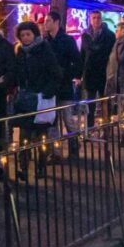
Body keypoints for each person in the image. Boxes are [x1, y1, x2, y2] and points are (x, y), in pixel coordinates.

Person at [12, 21, 61, 182]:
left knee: (41, 136)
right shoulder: (20, 52)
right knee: (24, 136)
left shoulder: (44, 50)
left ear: (34, 34)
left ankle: (40, 166)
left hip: (41, 98)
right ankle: (24, 168)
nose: (25, 38)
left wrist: (47, 92)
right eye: (22, 35)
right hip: (26, 99)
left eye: (28, 34)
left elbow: (55, 73)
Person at [43, 11, 83, 157]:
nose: (45, 23)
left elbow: (77, 61)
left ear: (56, 22)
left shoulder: (67, 40)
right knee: (52, 121)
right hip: (50, 87)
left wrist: (69, 74)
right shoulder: (45, 41)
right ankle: (56, 151)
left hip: (64, 85)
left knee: (67, 118)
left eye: (48, 20)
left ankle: (74, 144)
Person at [79, 10, 115, 128]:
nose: (96, 20)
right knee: (90, 102)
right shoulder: (85, 35)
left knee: (105, 101)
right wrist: (79, 74)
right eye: (94, 18)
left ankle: (106, 126)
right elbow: (83, 54)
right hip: (89, 72)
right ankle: (89, 127)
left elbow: (111, 54)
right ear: (90, 19)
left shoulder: (109, 35)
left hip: (103, 71)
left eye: (98, 17)